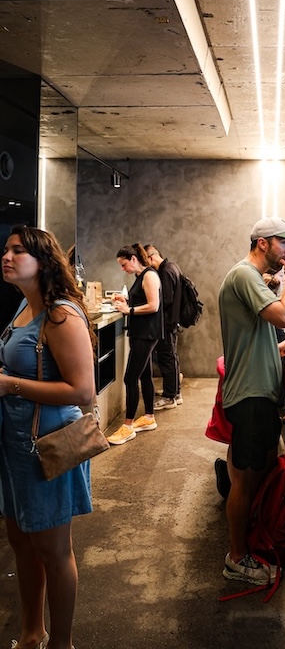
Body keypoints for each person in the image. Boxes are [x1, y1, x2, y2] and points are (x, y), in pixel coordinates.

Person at [0, 225, 96, 649]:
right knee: (21, 541)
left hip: (46, 446)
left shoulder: (60, 314)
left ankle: (62, 643)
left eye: (18, 251)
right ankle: (30, 633)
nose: (7, 256)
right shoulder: (23, 308)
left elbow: (83, 391)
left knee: (54, 552)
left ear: (43, 262)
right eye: (5, 249)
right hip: (14, 446)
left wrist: (9, 385)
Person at [218, 216, 285, 586]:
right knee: (245, 480)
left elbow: (261, 329)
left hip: (257, 390)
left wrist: (276, 346)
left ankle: (252, 541)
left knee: (249, 474)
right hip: (251, 393)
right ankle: (237, 558)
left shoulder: (249, 278)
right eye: (284, 243)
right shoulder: (245, 275)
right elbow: (283, 315)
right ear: (264, 242)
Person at [108, 244, 163, 445]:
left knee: (130, 378)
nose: (123, 269)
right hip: (143, 332)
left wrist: (128, 310)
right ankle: (149, 417)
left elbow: (153, 305)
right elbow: (142, 300)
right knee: (145, 374)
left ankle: (128, 426)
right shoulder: (141, 276)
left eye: (124, 265)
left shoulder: (149, 275)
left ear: (133, 259)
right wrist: (127, 300)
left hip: (146, 333)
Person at [144, 244, 183, 408]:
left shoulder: (165, 271)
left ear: (151, 257)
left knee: (166, 358)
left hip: (166, 323)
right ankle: (175, 391)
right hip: (171, 322)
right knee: (170, 357)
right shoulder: (172, 267)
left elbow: (166, 300)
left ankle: (169, 397)